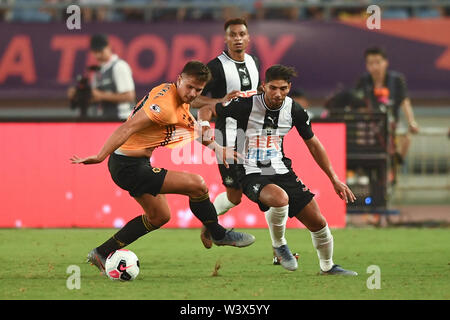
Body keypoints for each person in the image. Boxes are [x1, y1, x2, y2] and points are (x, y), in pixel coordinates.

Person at [71, 61, 255, 274]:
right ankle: (217, 233)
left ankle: (101, 252)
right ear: (179, 80)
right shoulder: (164, 107)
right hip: (128, 166)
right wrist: (100, 155)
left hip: (135, 164)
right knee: (197, 185)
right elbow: (127, 127)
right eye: (190, 87)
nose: (193, 93)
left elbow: (193, 129)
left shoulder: (175, 97)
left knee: (159, 216)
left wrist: (217, 147)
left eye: (199, 90)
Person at [211, 64, 357, 275]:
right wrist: (213, 142)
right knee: (279, 199)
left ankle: (328, 267)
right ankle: (279, 245)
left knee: (318, 221)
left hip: (280, 169)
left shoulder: (294, 110)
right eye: (273, 88)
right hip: (249, 170)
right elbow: (209, 110)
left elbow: (314, 144)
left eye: (283, 88)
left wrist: (334, 178)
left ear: (289, 87)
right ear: (263, 87)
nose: (278, 94)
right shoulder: (245, 104)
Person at [191, 17, 261, 249]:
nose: (238, 38)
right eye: (233, 35)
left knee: (267, 188)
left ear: (248, 37)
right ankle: (211, 225)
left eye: (242, 34)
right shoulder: (215, 67)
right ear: (226, 38)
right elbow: (193, 97)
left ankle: (279, 248)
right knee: (234, 195)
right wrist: (219, 101)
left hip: (254, 136)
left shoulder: (254, 62)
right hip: (228, 138)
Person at [355, 47, 419, 178]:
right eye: (371, 63)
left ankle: (395, 163)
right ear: (367, 65)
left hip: (392, 124)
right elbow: (358, 105)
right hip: (371, 126)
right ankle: (364, 170)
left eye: (378, 62)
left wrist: (412, 122)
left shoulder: (396, 80)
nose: (375, 66)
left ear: (385, 62)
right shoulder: (363, 81)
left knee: (406, 137)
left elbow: (405, 102)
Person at [68, 34, 136, 121]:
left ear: (109, 47)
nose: (98, 55)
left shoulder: (119, 66)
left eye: (101, 51)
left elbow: (129, 96)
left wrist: (101, 95)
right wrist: (79, 94)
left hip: (122, 118)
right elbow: (95, 97)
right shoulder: (98, 71)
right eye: (95, 52)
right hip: (106, 119)